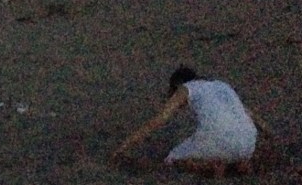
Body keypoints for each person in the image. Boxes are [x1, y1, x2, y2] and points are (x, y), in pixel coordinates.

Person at [112, 66, 273, 176]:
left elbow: (160, 120)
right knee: (228, 144)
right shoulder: (221, 85)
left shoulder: (186, 88)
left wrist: (124, 146)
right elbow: (249, 113)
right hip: (248, 142)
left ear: (176, 85)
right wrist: (269, 133)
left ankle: (209, 166)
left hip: (220, 139)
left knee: (172, 159)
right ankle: (239, 163)